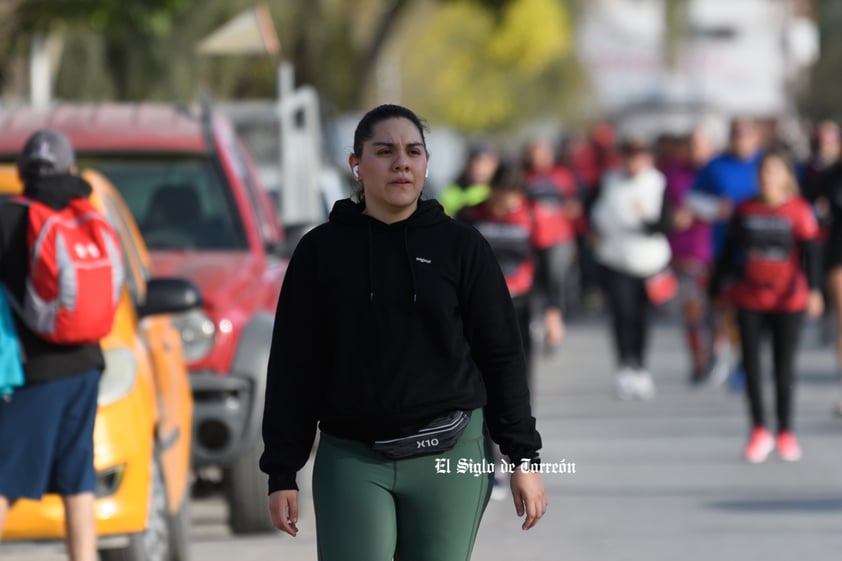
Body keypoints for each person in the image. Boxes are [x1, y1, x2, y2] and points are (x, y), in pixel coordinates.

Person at [259, 104, 547, 561]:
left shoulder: (462, 247)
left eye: (413, 151)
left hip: (451, 455)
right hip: (353, 459)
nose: (401, 162)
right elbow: (294, 365)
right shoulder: (320, 252)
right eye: (385, 150)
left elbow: (501, 356)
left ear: (426, 164)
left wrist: (523, 458)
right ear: (356, 165)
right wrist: (282, 470)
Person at [0, 130, 103, 561]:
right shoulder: (85, 214)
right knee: (78, 483)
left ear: (22, 172)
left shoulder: (7, 216)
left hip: (34, 373)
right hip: (87, 366)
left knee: (3, 480)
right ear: (70, 170)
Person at [709, 149, 823, 462]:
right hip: (749, 297)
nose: (767, 178)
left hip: (789, 299)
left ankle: (786, 431)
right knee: (751, 366)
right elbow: (729, 252)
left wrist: (814, 290)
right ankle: (759, 429)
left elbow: (811, 253)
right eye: (762, 172)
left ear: (787, 176)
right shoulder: (745, 209)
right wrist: (718, 288)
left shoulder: (799, 211)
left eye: (774, 171)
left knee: (783, 366)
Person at [589, 136, 672, 400]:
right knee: (621, 314)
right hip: (616, 258)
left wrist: (645, 218)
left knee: (642, 317)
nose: (633, 161)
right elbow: (589, 210)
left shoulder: (658, 183)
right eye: (629, 156)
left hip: (649, 261)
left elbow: (666, 223)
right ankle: (624, 366)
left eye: (639, 155)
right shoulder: (609, 180)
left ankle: (641, 367)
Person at [691, 117, 764, 389]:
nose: (741, 141)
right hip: (726, 250)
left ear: (755, 137)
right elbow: (693, 199)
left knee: (759, 311)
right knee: (731, 309)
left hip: (764, 251)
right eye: (736, 136)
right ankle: (737, 361)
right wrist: (714, 209)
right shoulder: (716, 166)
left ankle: (751, 358)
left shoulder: (768, 164)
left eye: (746, 135)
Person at [661, 128, 716, 384]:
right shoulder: (673, 174)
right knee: (692, 312)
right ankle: (698, 361)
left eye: (702, 145)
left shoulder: (719, 172)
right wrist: (671, 218)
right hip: (685, 254)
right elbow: (661, 210)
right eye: (693, 145)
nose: (697, 151)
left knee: (717, 313)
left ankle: (717, 352)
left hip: (717, 254)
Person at [521, 137, 582, 343]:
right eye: (534, 153)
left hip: (558, 238)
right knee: (533, 280)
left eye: (543, 153)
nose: (538, 158)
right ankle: (535, 319)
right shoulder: (524, 177)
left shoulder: (562, 176)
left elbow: (575, 204)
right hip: (530, 237)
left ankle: (554, 318)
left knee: (555, 279)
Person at [438, 141, 499, 217]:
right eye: (476, 162)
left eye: (486, 164)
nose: (480, 168)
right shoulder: (451, 191)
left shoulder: (499, 194)